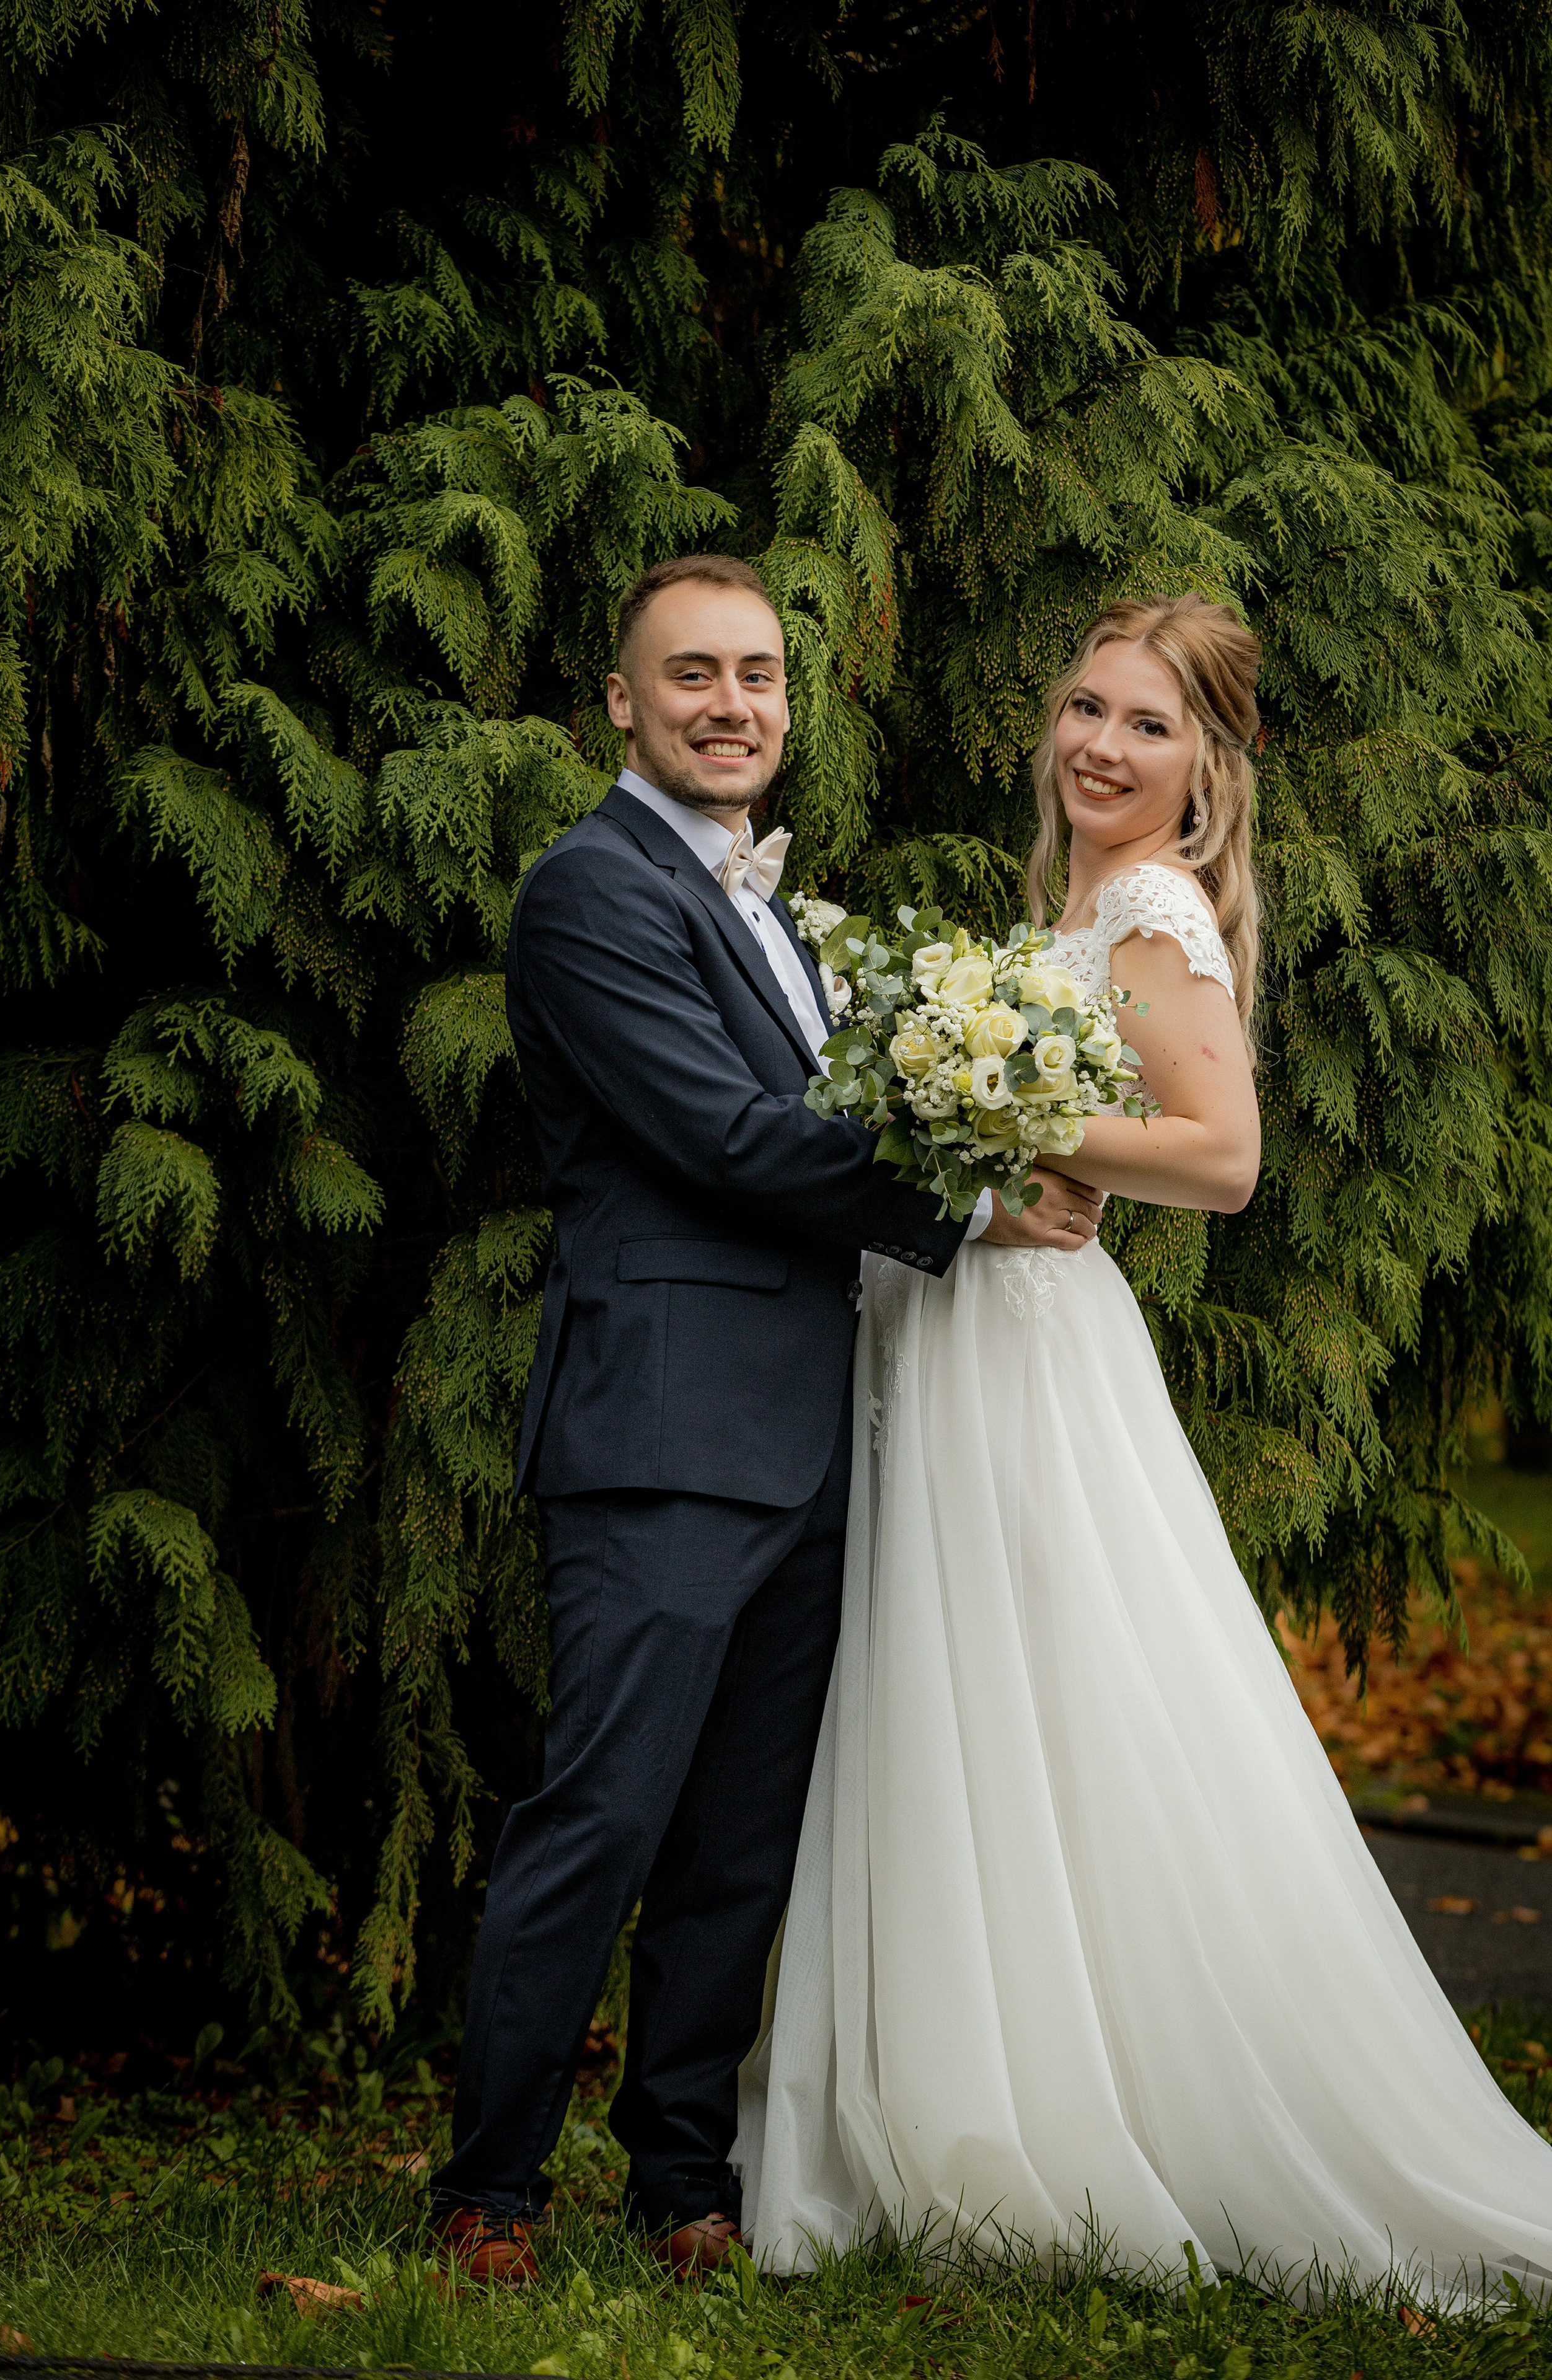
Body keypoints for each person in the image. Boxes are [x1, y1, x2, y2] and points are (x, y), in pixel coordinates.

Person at [736, 594, 1552, 2295]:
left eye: (1148, 725)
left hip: (1032, 1362)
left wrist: (993, 1106)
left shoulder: (1155, 905)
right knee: (976, 1710)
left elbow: (1225, 1155)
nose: (1102, 744)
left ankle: (1074, 2116)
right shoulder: (1081, 902)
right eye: (1087, 710)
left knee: (1050, 1707)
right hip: (964, 1334)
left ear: (1207, 768)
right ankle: (984, 2092)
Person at [428, 554, 1100, 2284]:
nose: (733, 707)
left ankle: (682, 2187)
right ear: (620, 704)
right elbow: (723, 1139)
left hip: (809, 1438)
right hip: (663, 1435)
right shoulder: (591, 894)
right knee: (603, 1817)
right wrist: (968, 1191)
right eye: (692, 678)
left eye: (761, 677)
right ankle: (488, 2191)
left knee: (738, 1843)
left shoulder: (775, 908)